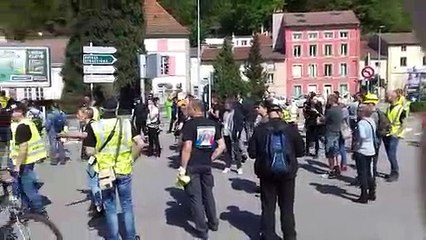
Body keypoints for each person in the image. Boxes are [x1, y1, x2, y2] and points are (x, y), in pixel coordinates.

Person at [89, 97, 145, 240]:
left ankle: (113, 237)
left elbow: (89, 151)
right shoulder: (126, 124)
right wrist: (131, 158)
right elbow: (140, 144)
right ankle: (131, 237)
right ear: (117, 108)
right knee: (126, 205)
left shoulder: (95, 126)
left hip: (106, 172)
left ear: (101, 110)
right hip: (124, 169)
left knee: (110, 206)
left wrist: (100, 154)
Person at [248, 104, 304, 240]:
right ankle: (290, 236)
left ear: (268, 113)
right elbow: (301, 152)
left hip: (266, 173)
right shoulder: (291, 129)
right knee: (287, 207)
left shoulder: (260, 130)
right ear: (280, 113)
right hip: (287, 173)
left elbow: (252, 153)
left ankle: (268, 235)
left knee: (268, 206)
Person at [179, 99, 226, 239]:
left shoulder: (189, 125)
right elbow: (222, 146)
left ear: (194, 108)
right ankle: (213, 222)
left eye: (188, 107)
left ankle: (201, 229)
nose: (186, 109)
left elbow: (187, 148)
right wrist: (211, 158)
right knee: (208, 194)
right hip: (206, 164)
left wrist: (183, 167)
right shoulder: (213, 124)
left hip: (193, 164)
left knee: (195, 197)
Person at [59, 107, 103, 215]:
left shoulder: (91, 125)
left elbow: (82, 135)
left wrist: (64, 134)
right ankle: (97, 204)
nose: (77, 117)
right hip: (94, 157)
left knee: (94, 183)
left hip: (94, 158)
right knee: (95, 182)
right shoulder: (91, 125)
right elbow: (82, 137)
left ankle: (99, 206)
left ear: (85, 115)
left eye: (79, 114)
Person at [9, 103, 48, 215]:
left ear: (20, 112)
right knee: (23, 187)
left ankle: (40, 210)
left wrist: (17, 166)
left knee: (28, 188)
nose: (10, 114)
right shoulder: (27, 122)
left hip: (24, 162)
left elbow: (23, 148)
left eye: (12, 112)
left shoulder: (22, 126)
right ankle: (25, 209)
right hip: (28, 160)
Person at [352, 104, 378, 204]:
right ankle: (372, 192)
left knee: (362, 173)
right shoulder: (371, 121)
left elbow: (362, 136)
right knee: (368, 172)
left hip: (362, 150)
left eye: (359, 110)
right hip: (371, 149)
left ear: (362, 112)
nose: (357, 112)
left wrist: (357, 146)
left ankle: (364, 195)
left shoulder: (361, 123)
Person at [383, 90, 406, 182]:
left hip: (395, 134)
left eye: (387, 96)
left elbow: (404, 123)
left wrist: (398, 133)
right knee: (389, 154)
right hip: (387, 133)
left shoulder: (401, 109)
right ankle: (392, 171)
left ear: (393, 97)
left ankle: (395, 173)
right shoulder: (389, 108)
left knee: (392, 154)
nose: (386, 97)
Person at [222, 98, 243, 174]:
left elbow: (240, 123)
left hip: (233, 134)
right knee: (227, 151)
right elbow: (224, 122)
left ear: (231, 105)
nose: (225, 106)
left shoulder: (236, 113)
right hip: (225, 133)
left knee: (236, 151)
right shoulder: (225, 113)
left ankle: (239, 167)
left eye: (226, 104)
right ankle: (227, 165)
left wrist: (238, 132)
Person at [324, 94, 343, 178]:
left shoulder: (330, 111)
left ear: (331, 100)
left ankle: (331, 169)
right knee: (337, 150)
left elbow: (325, 120)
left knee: (330, 151)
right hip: (338, 131)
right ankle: (338, 166)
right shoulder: (340, 109)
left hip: (330, 132)